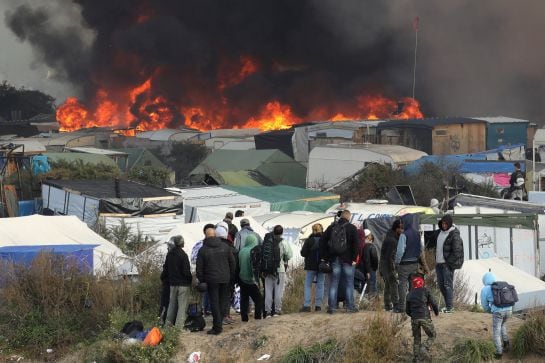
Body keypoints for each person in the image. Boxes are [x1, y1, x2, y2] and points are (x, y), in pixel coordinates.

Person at [196, 224, 236, 335]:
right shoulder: (225, 247)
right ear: (215, 235)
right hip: (225, 278)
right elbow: (232, 263)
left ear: (205, 235)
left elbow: (199, 268)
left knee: (214, 302)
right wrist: (230, 276)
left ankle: (217, 327)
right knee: (223, 301)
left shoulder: (203, 250)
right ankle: (220, 322)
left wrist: (202, 280)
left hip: (211, 280)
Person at [320, 210, 359, 314]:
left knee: (334, 283)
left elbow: (322, 241)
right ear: (349, 217)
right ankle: (350, 307)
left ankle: (331, 307)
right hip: (348, 260)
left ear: (340, 216)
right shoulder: (352, 228)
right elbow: (356, 245)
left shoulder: (332, 227)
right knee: (349, 283)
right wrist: (354, 258)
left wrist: (325, 256)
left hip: (334, 258)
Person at [427, 215, 464, 313]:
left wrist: (448, 263)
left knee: (448, 285)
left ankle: (450, 307)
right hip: (438, 264)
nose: (444, 225)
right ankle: (448, 305)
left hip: (446, 265)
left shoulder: (454, 235)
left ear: (449, 223)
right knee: (441, 285)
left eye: (445, 223)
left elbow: (457, 252)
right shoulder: (439, 233)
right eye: (442, 223)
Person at [406, 275, 439, 363]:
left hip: (414, 319)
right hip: (425, 317)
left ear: (413, 284)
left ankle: (416, 359)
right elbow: (434, 303)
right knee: (432, 335)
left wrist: (414, 316)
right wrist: (436, 312)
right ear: (422, 283)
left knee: (417, 339)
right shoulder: (426, 291)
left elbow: (407, 311)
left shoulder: (409, 294)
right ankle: (424, 347)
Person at [480, 272, 512, 359]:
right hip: (509, 310)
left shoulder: (485, 289)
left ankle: (499, 352)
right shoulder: (501, 286)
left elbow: (484, 304)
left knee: (496, 332)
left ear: (485, 280)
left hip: (498, 312)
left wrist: (489, 310)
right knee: (503, 325)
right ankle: (506, 343)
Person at [263, 225, 293, 317]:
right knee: (278, 291)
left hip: (268, 270)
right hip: (279, 270)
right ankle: (277, 310)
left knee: (268, 291)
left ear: (273, 231)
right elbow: (289, 255)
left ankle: (267, 312)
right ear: (282, 232)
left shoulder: (268, 242)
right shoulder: (283, 242)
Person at [395, 215, 422, 312]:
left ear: (406, 222)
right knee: (413, 285)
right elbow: (421, 248)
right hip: (414, 263)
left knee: (402, 285)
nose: (401, 224)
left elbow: (400, 251)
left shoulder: (404, 235)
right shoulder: (417, 234)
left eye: (402, 222)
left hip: (404, 264)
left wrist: (397, 262)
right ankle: (412, 306)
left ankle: (402, 307)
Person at [165, 235, 192, 328]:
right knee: (182, 306)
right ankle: (178, 327)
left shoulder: (169, 255)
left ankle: (168, 325)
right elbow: (186, 271)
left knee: (171, 304)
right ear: (181, 243)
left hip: (172, 284)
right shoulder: (183, 255)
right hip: (183, 284)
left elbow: (166, 270)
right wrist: (190, 280)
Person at [215, 222, 238, 324]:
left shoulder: (209, 246)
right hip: (226, 277)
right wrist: (233, 277)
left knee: (216, 297)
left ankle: (218, 317)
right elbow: (233, 264)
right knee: (226, 297)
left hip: (213, 277)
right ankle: (225, 316)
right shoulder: (229, 247)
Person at [191, 224, 216, 316]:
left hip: (205, 273)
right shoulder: (215, 245)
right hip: (209, 273)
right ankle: (208, 309)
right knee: (209, 292)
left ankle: (207, 309)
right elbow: (194, 260)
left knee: (207, 292)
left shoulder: (198, 245)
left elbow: (193, 259)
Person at [300, 223, 325, 312]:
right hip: (322, 266)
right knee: (320, 285)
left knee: (308, 285)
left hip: (310, 265)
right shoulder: (324, 240)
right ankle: (318, 306)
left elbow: (303, 253)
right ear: (322, 230)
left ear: (313, 230)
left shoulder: (309, 240)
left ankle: (307, 305)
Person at [238, 234, 263, 321]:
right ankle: (258, 317)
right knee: (258, 299)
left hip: (241, 278)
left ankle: (244, 318)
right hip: (250, 280)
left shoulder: (241, 251)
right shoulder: (254, 251)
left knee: (244, 299)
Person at [380, 219, 403, 312]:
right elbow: (391, 256)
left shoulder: (390, 236)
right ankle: (396, 304)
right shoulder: (393, 240)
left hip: (384, 264)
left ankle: (387, 304)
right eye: (401, 228)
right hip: (388, 264)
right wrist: (394, 269)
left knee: (388, 285)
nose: (402, 230)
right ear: (396, 228)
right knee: (393, 284)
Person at [159, 240, 175, 324]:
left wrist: (162, 277)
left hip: (167, 283)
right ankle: (168, 320)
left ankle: (162, 319)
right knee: (171, 303)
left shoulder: (169, 256)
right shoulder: (180, 255)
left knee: (165, 303)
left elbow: (165, 271)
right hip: (174, 283)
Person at [361, 229, 379, 298]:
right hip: (371, 268)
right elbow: (374, 258)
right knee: (372, 284)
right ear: (368, 236)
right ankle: (373, 301)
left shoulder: (363, 245)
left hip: (364, 268)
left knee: (367, 285)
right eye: (370, 235)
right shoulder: (370, 246)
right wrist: (373, 268)